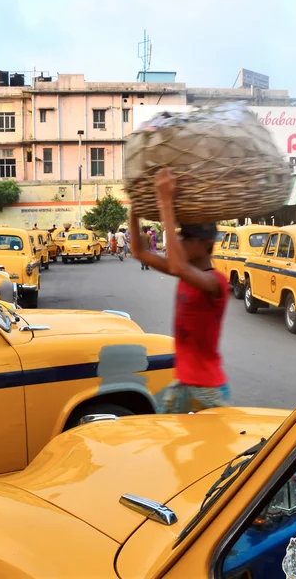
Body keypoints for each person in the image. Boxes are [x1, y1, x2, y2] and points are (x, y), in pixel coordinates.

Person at [130, 168, 230, 413]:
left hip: (208, 389)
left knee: (214, 450)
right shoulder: (184, 273)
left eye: (188, 237)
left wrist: (165, 200)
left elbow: (176, 264)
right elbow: (139, 252)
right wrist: (134, 208)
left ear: (206, 243)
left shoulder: (216, 282)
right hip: (183, 384)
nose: (182, 241)